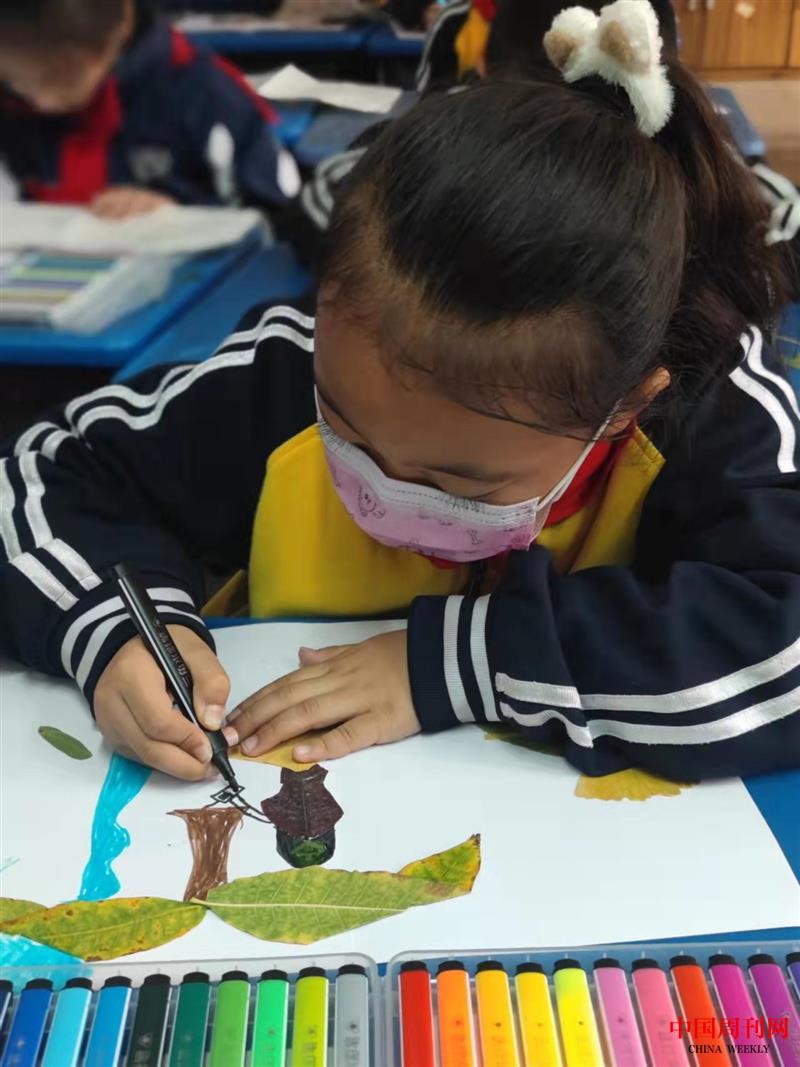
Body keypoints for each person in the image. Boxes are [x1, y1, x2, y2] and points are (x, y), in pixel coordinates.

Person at [2, 1, 798, 782]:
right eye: (344, 431)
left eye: (459, 484)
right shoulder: (288, 362)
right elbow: (41, 474)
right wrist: (115, 627)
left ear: (624, 405)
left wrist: (458, 663)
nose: (382, 492)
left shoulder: (708, 407)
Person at [0, 0, 299, 217]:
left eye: (59, 78)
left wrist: (178, 213)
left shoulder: (203, 91)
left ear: (116, 35)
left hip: (187, 273)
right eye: (16, 81)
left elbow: (277, 212)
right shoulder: (14, 102)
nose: (41, 100)